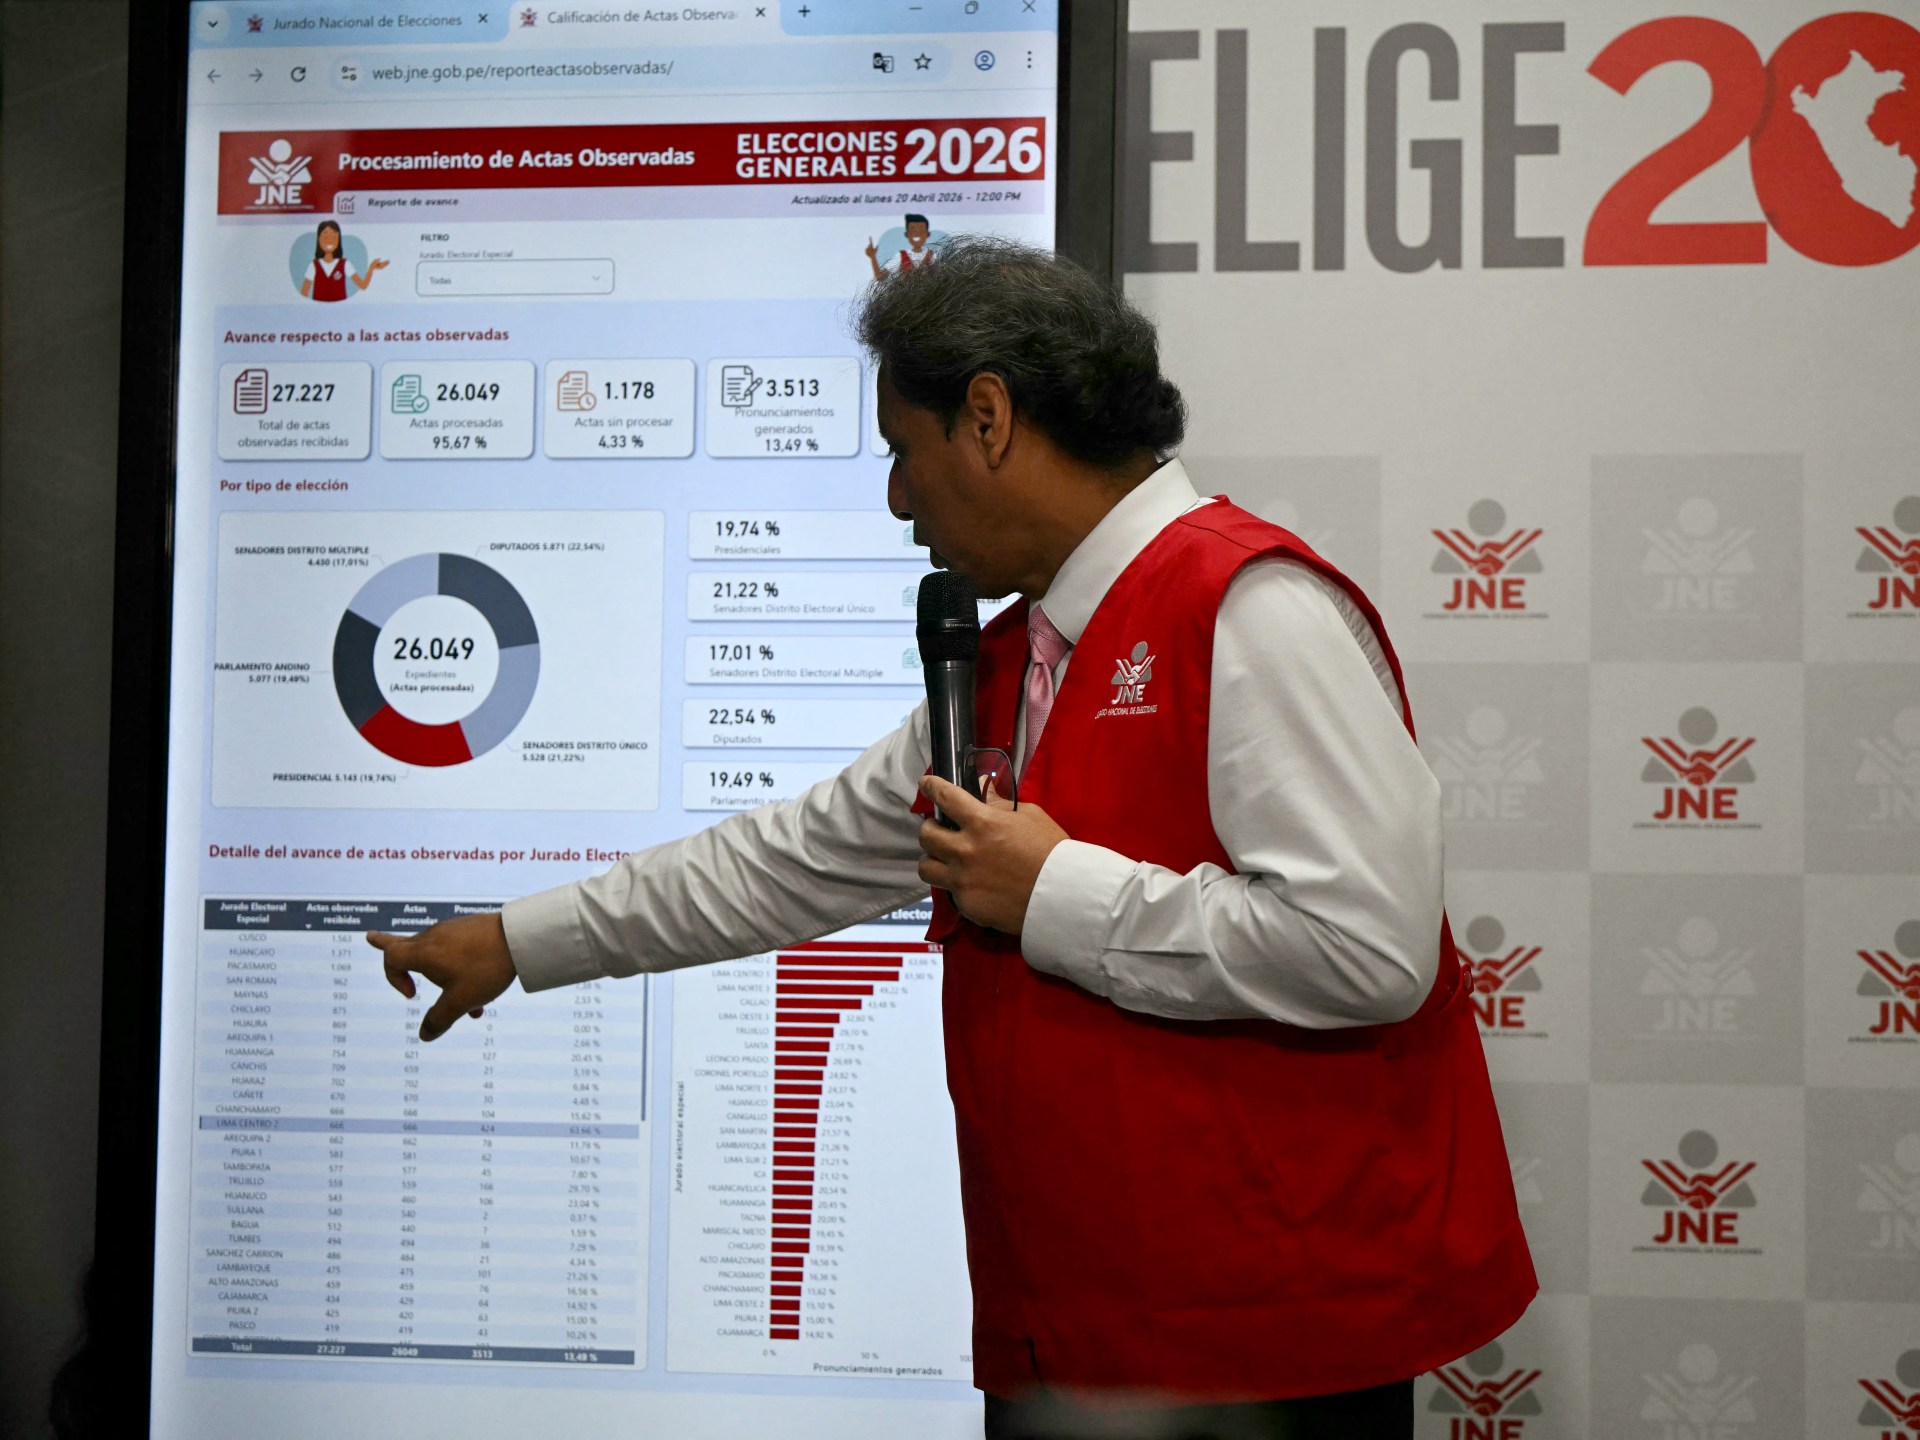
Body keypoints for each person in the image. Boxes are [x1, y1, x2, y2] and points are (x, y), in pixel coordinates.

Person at [370, 238, 1536, 1440]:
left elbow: (1368, 949)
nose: (895, 498)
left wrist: (1057, 893)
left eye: (900, 450)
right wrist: (516, 941)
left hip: (1267, 1357)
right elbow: (790, 860)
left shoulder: (1250, 607)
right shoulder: (1010, 659)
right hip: (1074, 1334)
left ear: (987, 417)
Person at [299, 219, 388, 301]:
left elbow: (363, 285)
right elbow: (303, 293)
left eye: (334, 237)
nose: (330, 241)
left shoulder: (345, 264)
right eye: (326, 237)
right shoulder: (314, 265)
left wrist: (371, 268)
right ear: (319, 239)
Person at [864, 211, 937, 280]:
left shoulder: (933, 256)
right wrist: (873, 257)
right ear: (907, 234)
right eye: (913, 230)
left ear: (928, 234)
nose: (917, 233)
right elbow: (880, 276)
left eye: (921, 230)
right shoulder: (901, 256)